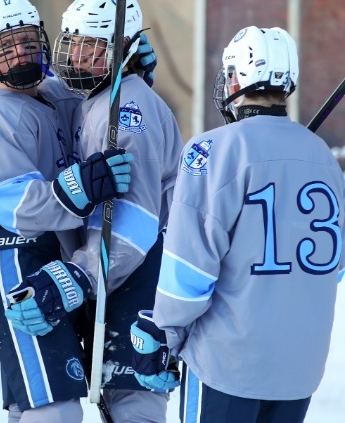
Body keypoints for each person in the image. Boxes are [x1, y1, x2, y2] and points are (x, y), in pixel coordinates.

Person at [129, 26, 345, 423]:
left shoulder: (212, 149)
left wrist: (166, 333)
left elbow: (189, 268)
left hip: (227, 365)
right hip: (299, 370)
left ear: (236, 78)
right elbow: (332, 269)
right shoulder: (323, 158)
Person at [0, 0, 133, 422]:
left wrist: (129, 68)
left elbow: (98, 97)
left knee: (31, 407)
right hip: (16, 260)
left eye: (29, 41)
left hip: (60, 260)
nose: (21, 54)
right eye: (6, 47)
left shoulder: (57, 95)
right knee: (56, 409)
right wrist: (80, 187)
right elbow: (15, 202)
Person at [4, 0, 183, 423]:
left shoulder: (127, 107)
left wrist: (78, 275)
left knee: (131, 405)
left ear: (124, 48)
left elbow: (137, 219)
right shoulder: (101, 98)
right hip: (115, 274)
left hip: (139, 271)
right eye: (74, 41)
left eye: (94, 46)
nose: (79, 55)